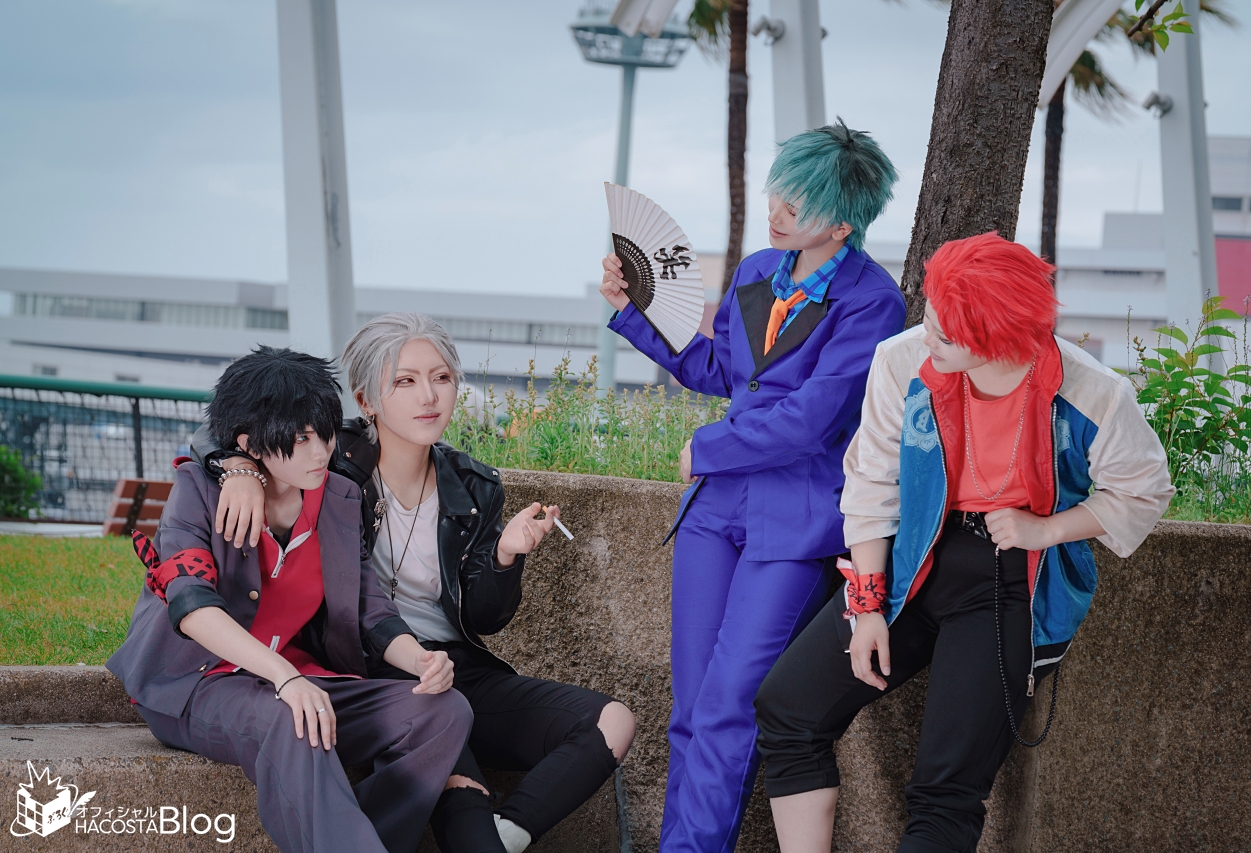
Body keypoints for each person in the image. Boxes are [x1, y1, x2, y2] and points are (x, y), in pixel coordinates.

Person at [753, 232, 1176, 853]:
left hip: (1009, 581)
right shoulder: (902, 362)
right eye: (929, 318)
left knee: (945, 791)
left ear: (997, 337)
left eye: (946, 335)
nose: (928, 338)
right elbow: (871, 481)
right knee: (787, 709)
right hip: (911, 560)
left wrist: (1047, 529)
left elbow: (1144, 490)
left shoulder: (1091, 392)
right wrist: (867, 606)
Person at [197, 313, 636, 853]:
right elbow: (230, 423)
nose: (429, 396)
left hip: (448, 665)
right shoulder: (328, 461)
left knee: (613, 721)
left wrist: (505, 555)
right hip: (366, 670)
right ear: (366, 399)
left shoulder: (474, 486)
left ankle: (509, 832)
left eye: (442, 377)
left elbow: (484, 618)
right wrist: (238, 467)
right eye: (404, 381)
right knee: (452, 763)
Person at [599, 119, 906, 852]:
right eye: (778, 191)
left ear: (841, 223)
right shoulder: (756, 270)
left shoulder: (874, 301)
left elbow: (813, 420)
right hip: (716, 508)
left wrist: (707, 447)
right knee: (690, 707)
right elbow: (722, 371)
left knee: (731, 706)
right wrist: (633, 312)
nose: (776, 210)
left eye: (796, 204)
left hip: (796, 516)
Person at [107, 346, 472, 853]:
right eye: (299, 439)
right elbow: (192, 607)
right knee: (293, 719)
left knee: (442, 711)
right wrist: (285, 677)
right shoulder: (200, 490)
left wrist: (420, 660)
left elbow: (368, 606)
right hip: (196, 683)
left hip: (297, 679)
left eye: (324, 433)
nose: (320, 451)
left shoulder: (339, 498)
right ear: (248, 444)